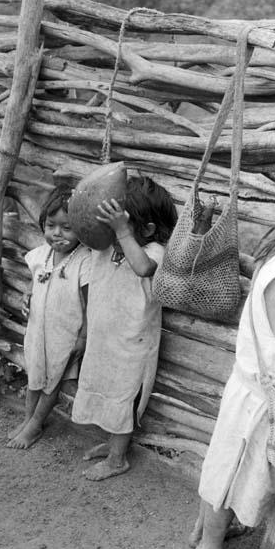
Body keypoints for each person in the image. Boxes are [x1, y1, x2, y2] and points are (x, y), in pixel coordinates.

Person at [190, 182, 275, 549]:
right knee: (235, 474)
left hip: (255, 387)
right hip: (263, 400)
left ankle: (208, 530)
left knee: (234, 471)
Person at [71, 176, 178, 481]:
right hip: (105, 338)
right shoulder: (109, 244)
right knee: (106, 389)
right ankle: (113, 444)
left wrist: (122, 232)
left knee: (124, 398)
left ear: (146, 229)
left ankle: (118, 459)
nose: (115, 227)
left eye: (123, 222)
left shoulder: (154, 251)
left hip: (133, 343)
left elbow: (143, 268)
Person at [6, 184, 90, 449]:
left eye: (67, 228)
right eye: (51, 225)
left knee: (53, 381)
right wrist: (28, 295)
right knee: (35, 376)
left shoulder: (84, 261)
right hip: (37, 330)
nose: (57, 233)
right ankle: (28, 418)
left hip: (64, 334)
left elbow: (89, 305)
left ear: (81, 229)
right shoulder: (42, 255)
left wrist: (83, 337)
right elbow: (36, 283)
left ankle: (35, 425)